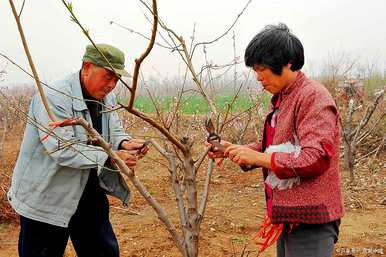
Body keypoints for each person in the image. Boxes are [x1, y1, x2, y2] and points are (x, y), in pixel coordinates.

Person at [208, 24, 344, 257]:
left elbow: (315, 158)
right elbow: (277, 146)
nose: (258, 77)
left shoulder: (313, 97)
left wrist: (259, 157)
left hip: (311, 221)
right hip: (291, 217)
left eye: (262, 69)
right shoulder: (283, 98)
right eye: (255, 70)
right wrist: (236, 150)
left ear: (287, 62)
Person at [8, 44, 149, 257]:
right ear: (87, 67)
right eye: (108, 76)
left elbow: (113, 130)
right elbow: (62, 148)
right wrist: (111, 157)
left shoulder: (106, 98)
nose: (112, 85)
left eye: (117, 79)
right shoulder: (54, 97)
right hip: (47, 195)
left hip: (87, 189)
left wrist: (124, 143)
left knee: (103, 251)